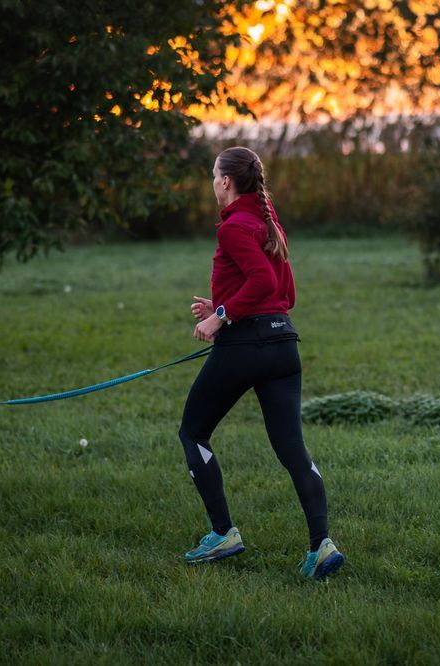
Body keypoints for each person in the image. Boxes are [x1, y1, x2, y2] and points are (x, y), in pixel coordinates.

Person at [179, 146, 345, 581]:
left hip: (245, 347)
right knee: (293, 449)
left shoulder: (235, 226)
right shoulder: (269, 225)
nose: (213, 182)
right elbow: (281, 297)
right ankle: (321, 547)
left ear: (227, 182)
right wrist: (222, 304)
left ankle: (223, 534)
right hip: (283, 344)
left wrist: (221, 317)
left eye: (215, 176)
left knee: (193, 431)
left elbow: (263, 281)